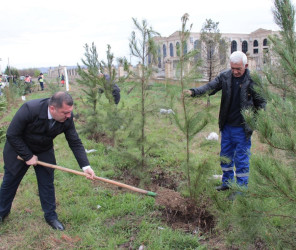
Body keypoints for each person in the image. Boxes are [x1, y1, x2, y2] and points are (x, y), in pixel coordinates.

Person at [0, 91, 96, 230]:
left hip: (43, 149)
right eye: (65, 112)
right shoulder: (29, 109)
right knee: (10, 181)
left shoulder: (67, 118)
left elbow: (74, 141)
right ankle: (2, 212)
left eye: (70, 112)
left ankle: (51, 217)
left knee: (47, 183)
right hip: (18, 149)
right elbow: (12, 135)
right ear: (52, 108)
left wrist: (85, 166)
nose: (69, 116)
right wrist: (27, 156)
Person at [184, 51, 266, 191]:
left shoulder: (253, 79)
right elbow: (210, 87)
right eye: (232, 68)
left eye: (238, 69)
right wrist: (193, 92)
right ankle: (227, 183)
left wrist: (258, 122)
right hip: (226, 126)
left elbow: (261, 103)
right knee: (225, 156)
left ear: (245, 66)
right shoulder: (225, 76)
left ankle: (241, 189)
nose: (235, 71)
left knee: (241, 160)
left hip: (242, 128)